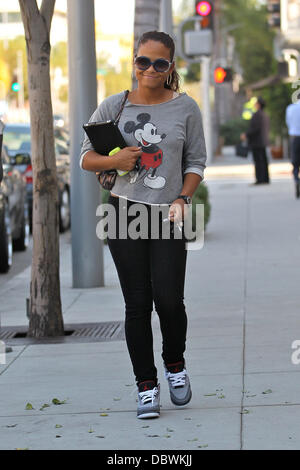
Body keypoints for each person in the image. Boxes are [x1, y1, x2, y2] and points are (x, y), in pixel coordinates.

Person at [80, 31, 207, 419]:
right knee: (137, 303)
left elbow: (196, 162)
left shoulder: (186, 108)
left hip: (169, 212)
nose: (150, 70)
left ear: (171, 67)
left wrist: (184, 198)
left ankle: (175, 365)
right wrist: (114, 163)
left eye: (159, 63)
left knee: (169, 299)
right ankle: (146, 386)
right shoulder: (114, 105)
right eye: (143, 61)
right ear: (134, 61)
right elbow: (86, 158)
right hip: (124, 211)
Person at [241, 97, 270, 185]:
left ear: (259, 105)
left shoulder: (257, 115)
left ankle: (260, 179)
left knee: (258, 161)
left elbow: (255, 128)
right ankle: (265, 179)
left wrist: (246, 134)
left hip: (257, 142)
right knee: (263, 161)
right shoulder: (264, 114)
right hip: (263, 141)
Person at [286, 100, 300, 198]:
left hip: (295, 137)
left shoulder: (291, 108)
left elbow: (288, 122)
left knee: (295, 163)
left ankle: (296, 179)